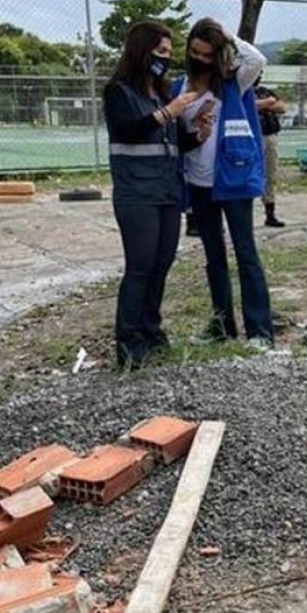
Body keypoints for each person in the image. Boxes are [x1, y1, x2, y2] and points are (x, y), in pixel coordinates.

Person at [102, 20, 209, 370]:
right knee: (140, 267)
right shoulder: (118, 91)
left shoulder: (162, 94)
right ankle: (128, 342)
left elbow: (174, 140)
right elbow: (129, 131)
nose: (165, 58)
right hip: (136, 195)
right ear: (141, 51)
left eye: (168, 53)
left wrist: (199, 133)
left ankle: (152, 331)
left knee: (161, 266)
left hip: (166, 193)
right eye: (160, 51)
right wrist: (169, 112)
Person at [174, 18, 275, 348]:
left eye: (207, 53)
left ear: (218, 53)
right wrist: (196, 131)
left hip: (233, 179)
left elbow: (257, 59)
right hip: (198, 182)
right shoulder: (179, 87)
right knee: (213, 256)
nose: (200, 58)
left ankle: (259, 331)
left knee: (246, 253)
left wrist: (228, 35)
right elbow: (179, 134)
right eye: (195, 52)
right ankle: (221, 325)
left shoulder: (235, 82)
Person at [254, 78, 288, 228]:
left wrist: (265, 105)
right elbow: (249, 107)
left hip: (270, 134)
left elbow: (281, 107)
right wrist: (267, 103)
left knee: (270, 174)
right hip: (253, 136)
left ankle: (270, 213)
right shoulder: (242, 89)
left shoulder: (265, 91)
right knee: (250, 174)